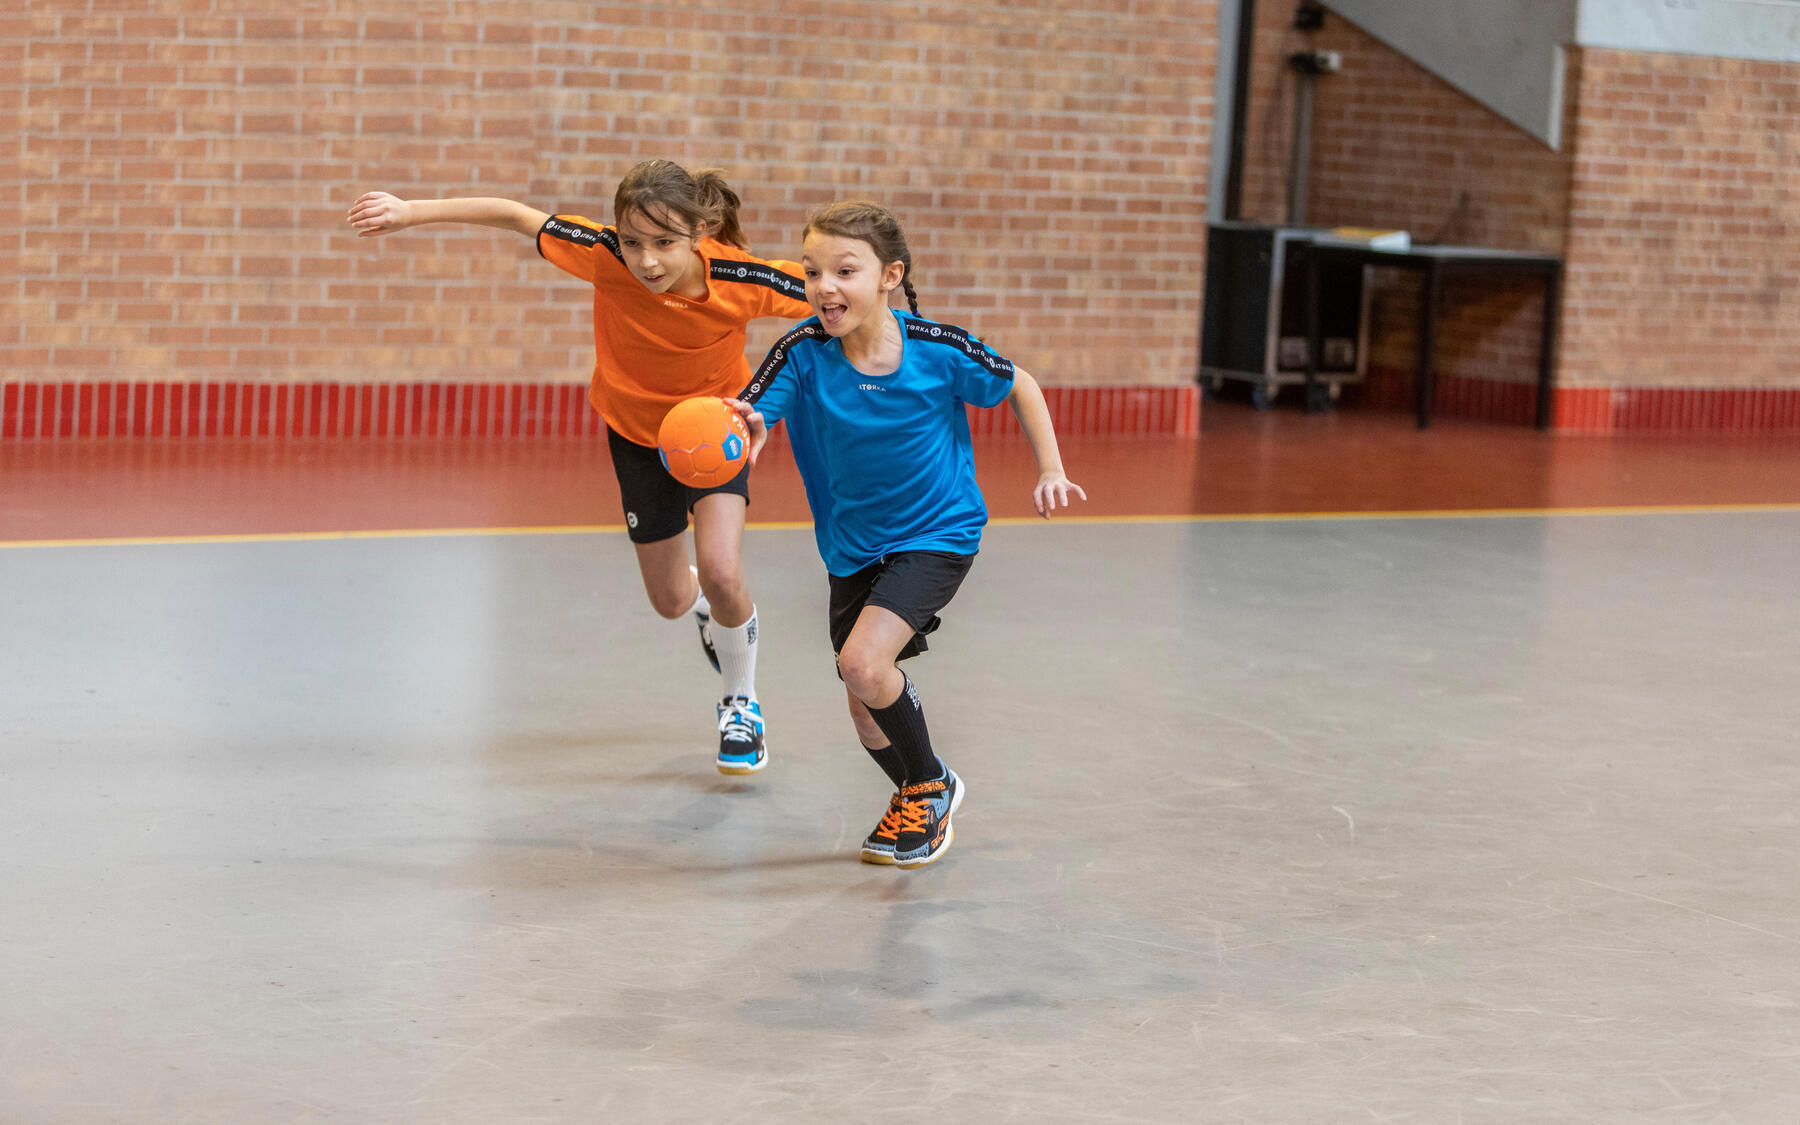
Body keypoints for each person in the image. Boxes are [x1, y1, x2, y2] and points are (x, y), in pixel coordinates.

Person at [346, 160, 812, 775]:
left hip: (715, 434)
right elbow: (514, 214)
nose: (647, 261)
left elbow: (837, 297)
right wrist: (411, 211)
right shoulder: (601, 256)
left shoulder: (742, 279)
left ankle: (741, 703)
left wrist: (903, 338)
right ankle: (702, 607)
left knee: (726, 571)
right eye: (634, 242)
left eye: (666, 244)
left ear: (700, 234)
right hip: (636, 437)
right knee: (673, 600)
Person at [733, 201, 1087, 869]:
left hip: (938, 530)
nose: (824, 287)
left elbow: (1021, 383)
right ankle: (922, 789)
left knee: (862, 663)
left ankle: (926, 784)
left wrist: (1051, 468)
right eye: (812, 272)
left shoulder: (937, 348)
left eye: (845, 270)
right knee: (865, 702)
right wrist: (738, 431)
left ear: (889, 275)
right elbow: (755, 409)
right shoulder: (802, 351)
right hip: (851, 545)